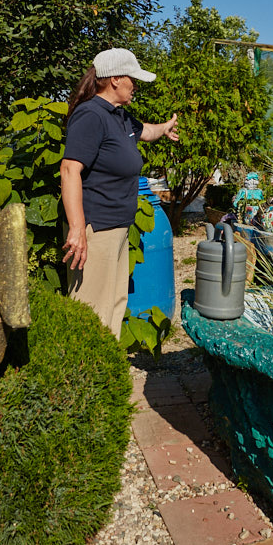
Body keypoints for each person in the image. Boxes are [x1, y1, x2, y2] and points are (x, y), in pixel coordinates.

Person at [60, 48, 179, 337]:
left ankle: (106, 362)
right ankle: (86, 364)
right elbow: (69, 169)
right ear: (114, 79)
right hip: (95, 230)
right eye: (132, 79)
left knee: (114, 306)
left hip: (117, 227)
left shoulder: (119, 116)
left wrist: (164, 128)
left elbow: (145, 131)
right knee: (91, 313)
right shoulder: (91, 115)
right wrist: (77, 229)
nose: (135, 85)